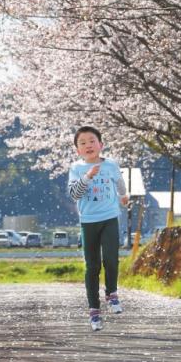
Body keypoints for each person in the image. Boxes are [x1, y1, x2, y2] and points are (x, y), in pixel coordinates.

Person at [68, 126, 129, 331]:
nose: (88, 145)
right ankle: (94, 309)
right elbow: (74, 195)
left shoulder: (111, 165)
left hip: (110, 217)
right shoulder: (76, 169)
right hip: (88, 221)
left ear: (101, 145)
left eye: (92, 141)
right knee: (92, 266)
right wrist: (87, 177)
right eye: (82, 143)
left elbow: (119, 182)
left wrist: (123, 196)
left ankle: (112, 294)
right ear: (77, 150)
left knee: (111, 258)